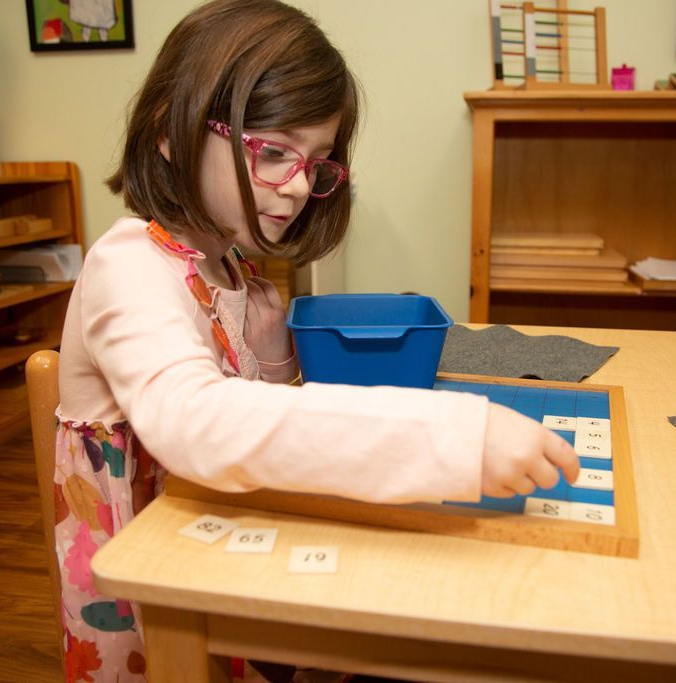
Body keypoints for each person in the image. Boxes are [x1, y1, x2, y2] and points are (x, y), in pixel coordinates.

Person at [53, 1, 579, 680]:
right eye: (273, 151)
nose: (301, 184)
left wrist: (272, 355)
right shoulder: (126, 262)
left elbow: (256, 427)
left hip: (214, 546)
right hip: (146, 604)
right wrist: (453, 436)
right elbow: (198, 424)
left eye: (318, 160)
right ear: (167, 132)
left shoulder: (227, 262)